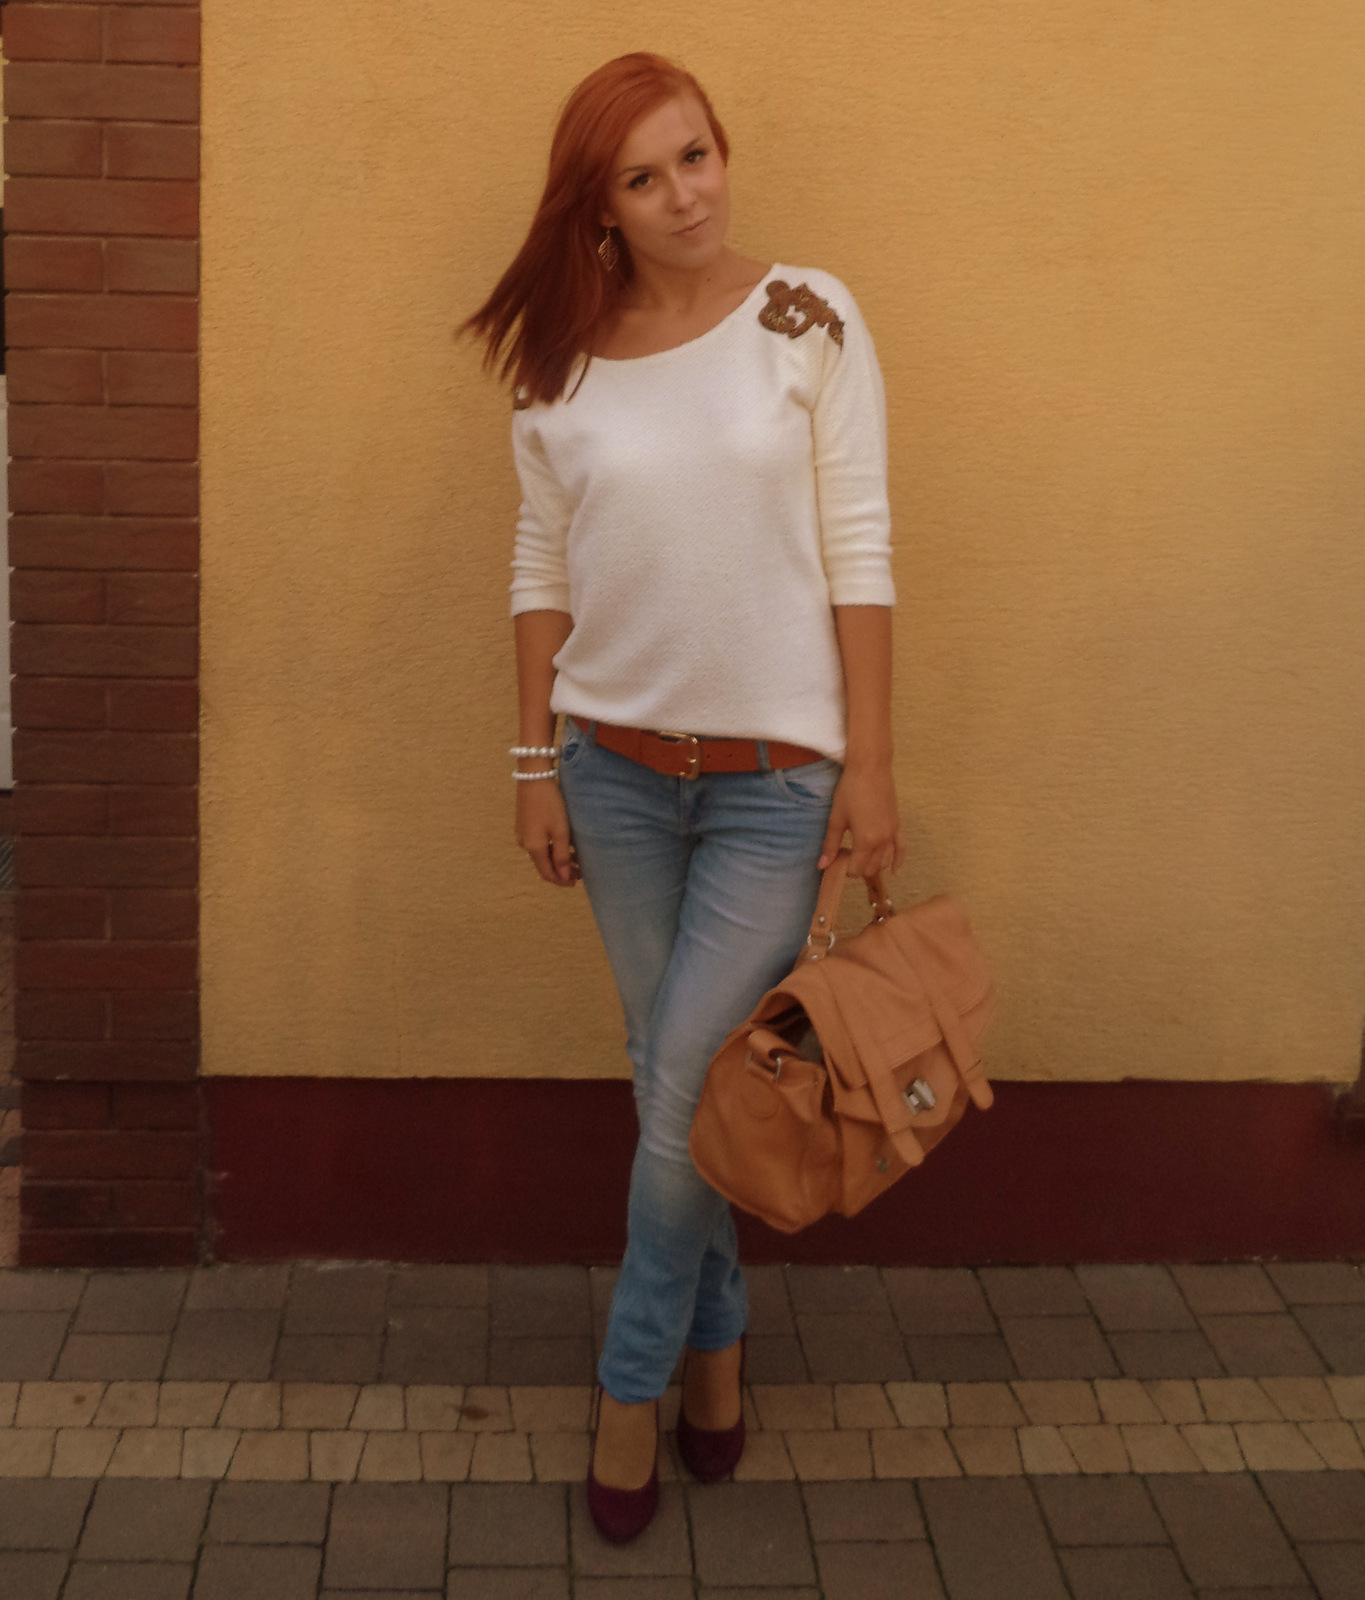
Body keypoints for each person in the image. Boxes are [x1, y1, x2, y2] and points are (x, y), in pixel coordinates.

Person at [463, 51, 901, 1541]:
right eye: (643, 178)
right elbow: (540, 566)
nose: (683, 195)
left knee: (677, 1098)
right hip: (616, 778)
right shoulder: (560, 366)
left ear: (724, 150)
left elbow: (860, 546)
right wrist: (533, 763)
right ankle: (718, 1350)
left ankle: (627, 1385)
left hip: (776, 788)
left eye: (694, 156)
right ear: (601, 209)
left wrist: (871, 764)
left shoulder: (807, 318)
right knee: (678, 1085)